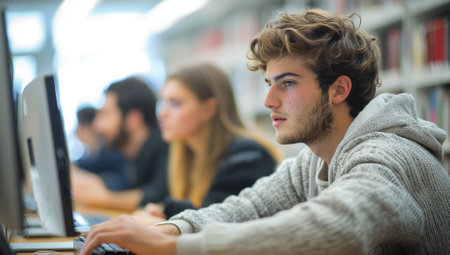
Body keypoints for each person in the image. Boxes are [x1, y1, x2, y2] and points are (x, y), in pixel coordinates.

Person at [80, 9, 450, 255]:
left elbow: (338, 227)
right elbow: (250, 207)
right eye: (269, 83)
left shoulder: (390, 155)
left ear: (338, 90)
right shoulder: (313, 158)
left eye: (287, 84)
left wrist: (176, 249)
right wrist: (173, 230)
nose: (269, 100)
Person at [133, 63, 281, 222]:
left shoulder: (249, 154)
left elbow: (219, 218)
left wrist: (165, 214)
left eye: (175, 103)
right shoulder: (186, 153)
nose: (162, 113)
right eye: (162, 102)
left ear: (208, 109)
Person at [72, 77, 169, 211]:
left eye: (106, 115)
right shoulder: (129, 154)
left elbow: (157, 197)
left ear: (134, 119)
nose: (97, 125)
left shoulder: (165, 145)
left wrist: (104, 198)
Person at [73, 106, 128, 191]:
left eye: (79, 125)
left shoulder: (112, 154)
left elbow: (93, 165)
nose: (75, 131)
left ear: (90, 126)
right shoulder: (89, 156)